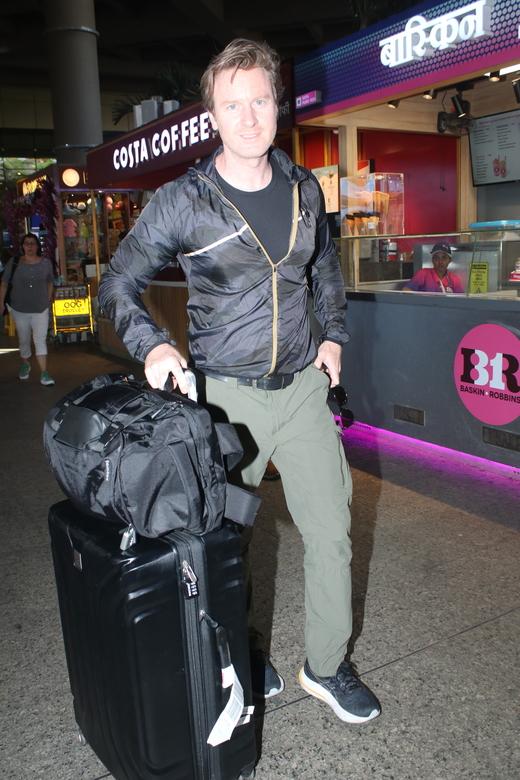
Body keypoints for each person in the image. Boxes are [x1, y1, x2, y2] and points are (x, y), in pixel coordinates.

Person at [99, 38, 380, 724]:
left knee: (331, 531)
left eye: (260, 100)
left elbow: (323, 268)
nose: (249, 117)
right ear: (212, 116)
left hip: (303, 388)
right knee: (227, 538)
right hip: (225, 397)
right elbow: (117, 284)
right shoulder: (182, 201)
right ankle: (244, 652)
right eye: (233, 104)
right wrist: (154, 345)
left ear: (277, 105)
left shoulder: (304, 187)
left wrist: (334, 335)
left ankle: (326, 665)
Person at [0, 233, 55, 385]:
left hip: (40, 309)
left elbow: (50, 281)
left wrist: (47, 299)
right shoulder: (14, 262)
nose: (30, 246)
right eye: (26, 243)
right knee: (24, 339)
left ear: (37, 246)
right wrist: (0, 303)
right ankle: (25, 363)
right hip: (19, 309)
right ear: (22, 246)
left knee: (40, 340)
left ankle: (44, 373)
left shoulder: (46, 263)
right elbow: (4, 283)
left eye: (33, 243)